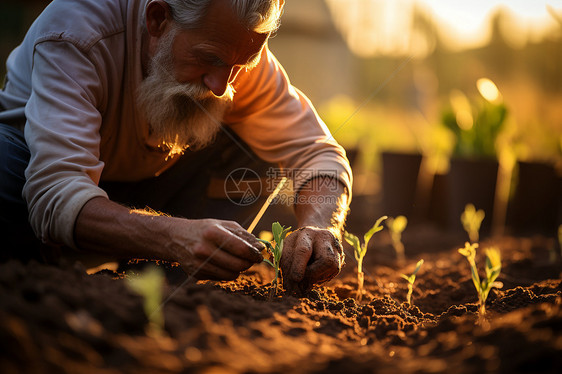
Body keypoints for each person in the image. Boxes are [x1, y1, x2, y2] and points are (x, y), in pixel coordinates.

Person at [0, 0, 352, 293]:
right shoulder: (76, 34)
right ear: (158, 19)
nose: (221, 85)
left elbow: (318, 152)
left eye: (239, 65)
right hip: (36, 204)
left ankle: (167, 283)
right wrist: (173, 237)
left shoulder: (230, 53)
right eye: (209, 59)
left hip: (149, 196)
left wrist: (321, 225)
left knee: (253, 147)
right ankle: (36, 276)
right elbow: (56, 194)